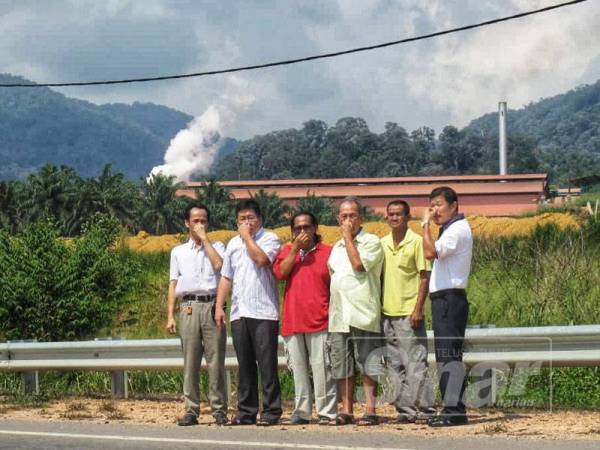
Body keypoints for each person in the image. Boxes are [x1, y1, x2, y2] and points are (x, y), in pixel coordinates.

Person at [214, 199, 282, 426]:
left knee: (267, 364)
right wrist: (219, 306)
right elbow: (226, 277)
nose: (246, 222)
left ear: (260, 219)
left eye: (250, 218)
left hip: (263, 311)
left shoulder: (270, 238)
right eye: (242, 219)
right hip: (238, 311)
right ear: (236, 221)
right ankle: (246, 412)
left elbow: (263, 260)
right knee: (245, 364)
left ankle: (272, 411)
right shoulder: (232, 244)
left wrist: (248, 237)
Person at [166, 202, 228, 426]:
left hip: (212, 305)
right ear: (187, 223)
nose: (200, 224)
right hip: (189, 306)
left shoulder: (219, 245)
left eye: (203, 221)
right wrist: (171, 315)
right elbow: (173, 283)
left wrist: (206, 241)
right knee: (190, 361)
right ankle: (191, 409)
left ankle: (219, 409)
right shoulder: (178, 252)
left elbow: (219, 265)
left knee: (216, 361)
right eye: (195, 221)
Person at [273, 211, 337, 426]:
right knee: (299, 370)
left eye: (306, 227)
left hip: (320, 318)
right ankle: (302, 412)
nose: (302, 231)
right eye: (297, 228)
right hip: (293, 320)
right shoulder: (286, 252)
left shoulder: (328, 252)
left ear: (315, 228)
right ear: (292, 232)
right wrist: (295, 250)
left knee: (322, 369)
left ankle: (327, 412)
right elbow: (281, 273)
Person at [327, 196, 384, 426]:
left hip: (363, 311)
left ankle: (370, 410)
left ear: (361, 218)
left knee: (367, 362)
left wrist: (348, 237)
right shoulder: (336, 246)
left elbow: (359, 266)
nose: (348, 220)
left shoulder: (371, 241)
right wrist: (345, 238)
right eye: (344, 216)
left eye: (352, 215)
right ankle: (347, 410)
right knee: (343, 363)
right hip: (339, 314)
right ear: (338, 219)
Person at [422, 186, 473, 427]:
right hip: (444, 299)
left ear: (454, 205)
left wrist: (424, 225)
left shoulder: (456, 230)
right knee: (446, 355)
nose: (434, 210)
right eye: (432, 206)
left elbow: (430, 252)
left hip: (449, 299)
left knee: (449, 355)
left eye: (439, 205)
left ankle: (455, 411)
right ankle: (452, 409)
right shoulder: (449, 230)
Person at [381, 200, 436, 424]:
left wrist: (418, 308)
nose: (394, 218)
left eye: (398, 215)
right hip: (387, 313)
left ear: (407, 218)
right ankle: (405, 410)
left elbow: (425, 276)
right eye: (391, 215)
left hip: (408, 313)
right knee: (394, 366)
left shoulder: (415, 242)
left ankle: (426, 409)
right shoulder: (382, 243)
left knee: (415, 363)